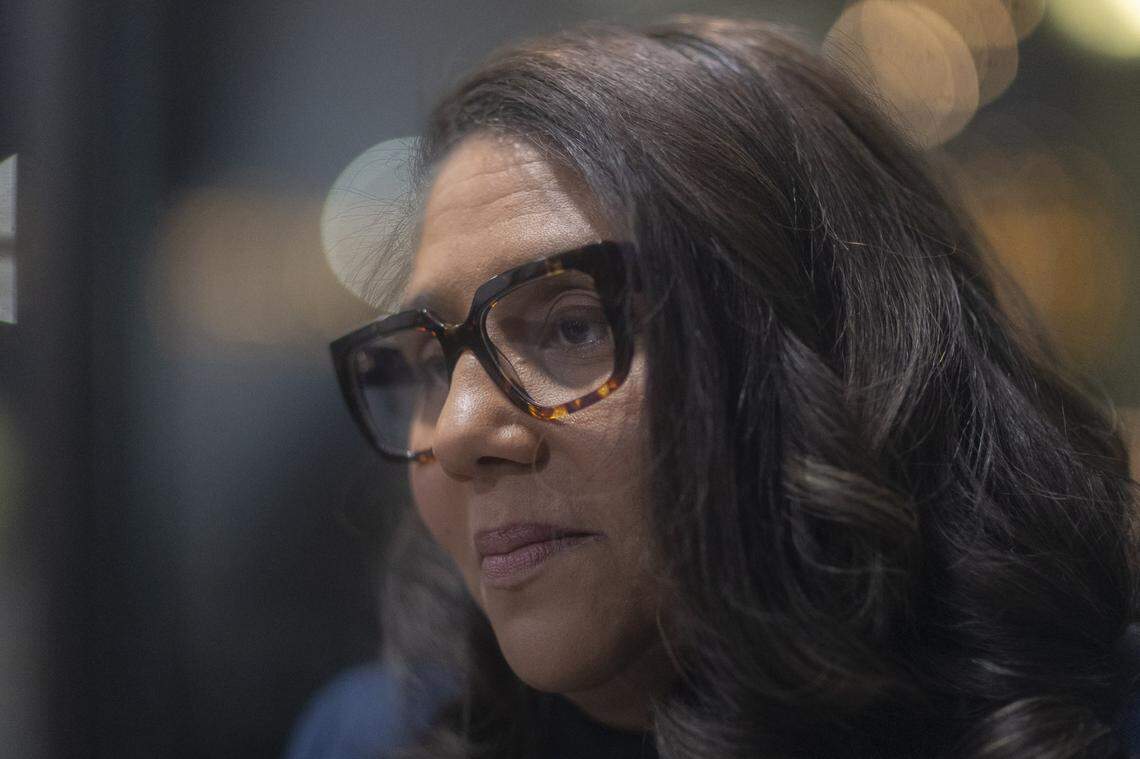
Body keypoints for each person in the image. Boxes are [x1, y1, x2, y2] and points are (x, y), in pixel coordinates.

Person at [306, 15, 1140, 759]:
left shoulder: (1099, 715)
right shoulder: (370, 736)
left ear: (825, 352)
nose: (454, 431)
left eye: (572, 325)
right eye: (428, 360)